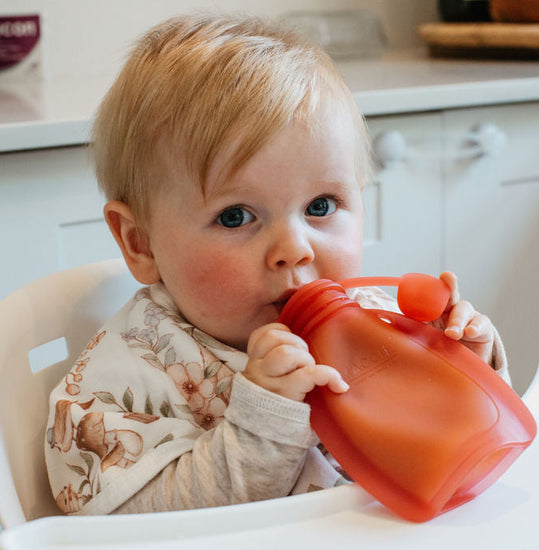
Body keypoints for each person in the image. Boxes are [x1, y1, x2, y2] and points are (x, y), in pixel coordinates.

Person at [45, 12, 509, 516]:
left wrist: (464, 366)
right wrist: (264, 422)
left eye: (320, 207)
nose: (296, 249)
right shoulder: (119, 384)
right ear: (142, 243)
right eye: (236, 216)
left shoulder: (379, 321)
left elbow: (461, 458)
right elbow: (133, 530)